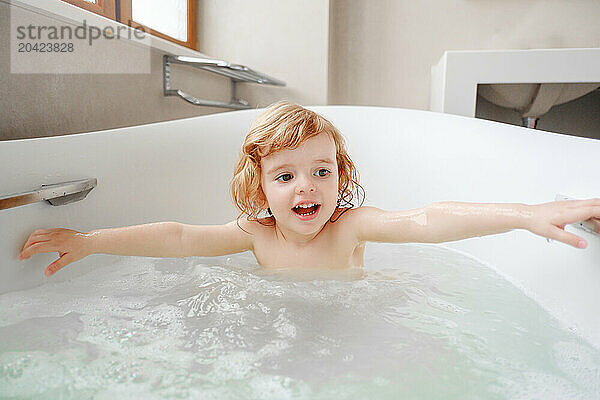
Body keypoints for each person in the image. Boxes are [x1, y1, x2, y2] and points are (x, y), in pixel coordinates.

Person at [19, 101, 600, 276]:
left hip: (355, 326)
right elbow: (177, 238)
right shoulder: (256, 236)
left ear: (341, 175)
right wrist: (91, 240)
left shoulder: (349, 226)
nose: (308, 187)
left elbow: (429, 218)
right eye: (286, 175)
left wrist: (528, 213)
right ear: (261, 187)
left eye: (323, 171)